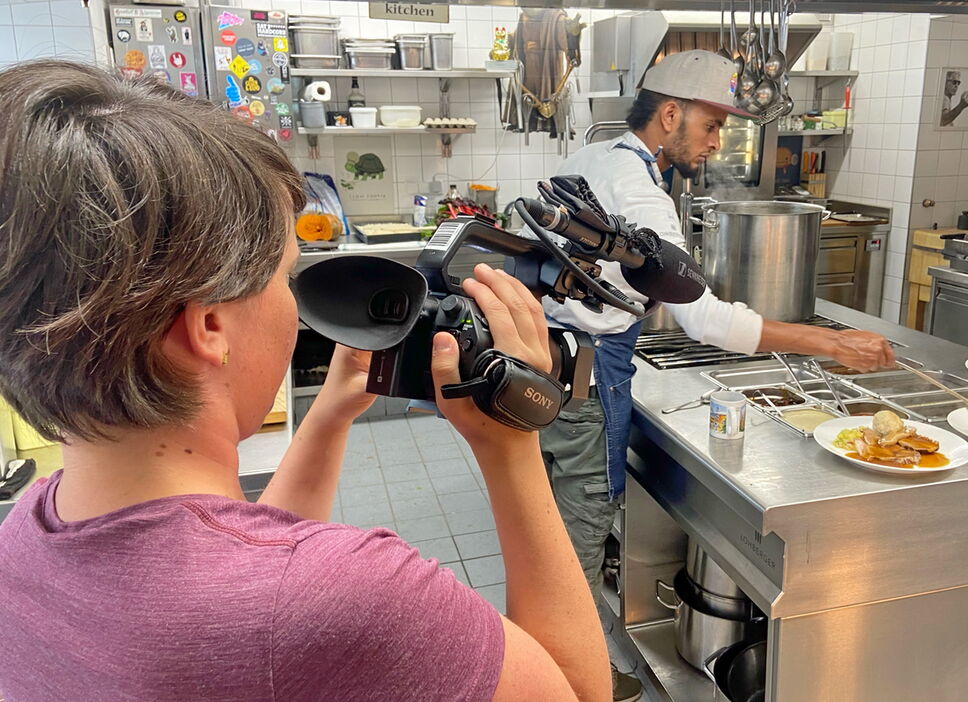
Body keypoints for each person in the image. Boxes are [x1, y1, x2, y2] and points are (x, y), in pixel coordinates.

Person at [0, 61, 609, 701]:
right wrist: (513, 443)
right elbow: (579, 694)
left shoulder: (24, 542)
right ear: (209, 325)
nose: (296, 309)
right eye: (285, 276)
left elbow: (240, 564)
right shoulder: (358, 600)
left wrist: (327, 415)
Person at [538, 50, 895, 702]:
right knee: (578, 545)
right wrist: (824, 344)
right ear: (670, 114)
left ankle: (562, 669)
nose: (714, 143)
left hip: (551, 371)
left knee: (556, 542)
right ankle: (575, 682)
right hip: (584, 384)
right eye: (710, 126)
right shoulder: (642, 191)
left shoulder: (595, 158)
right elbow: (703, 319)